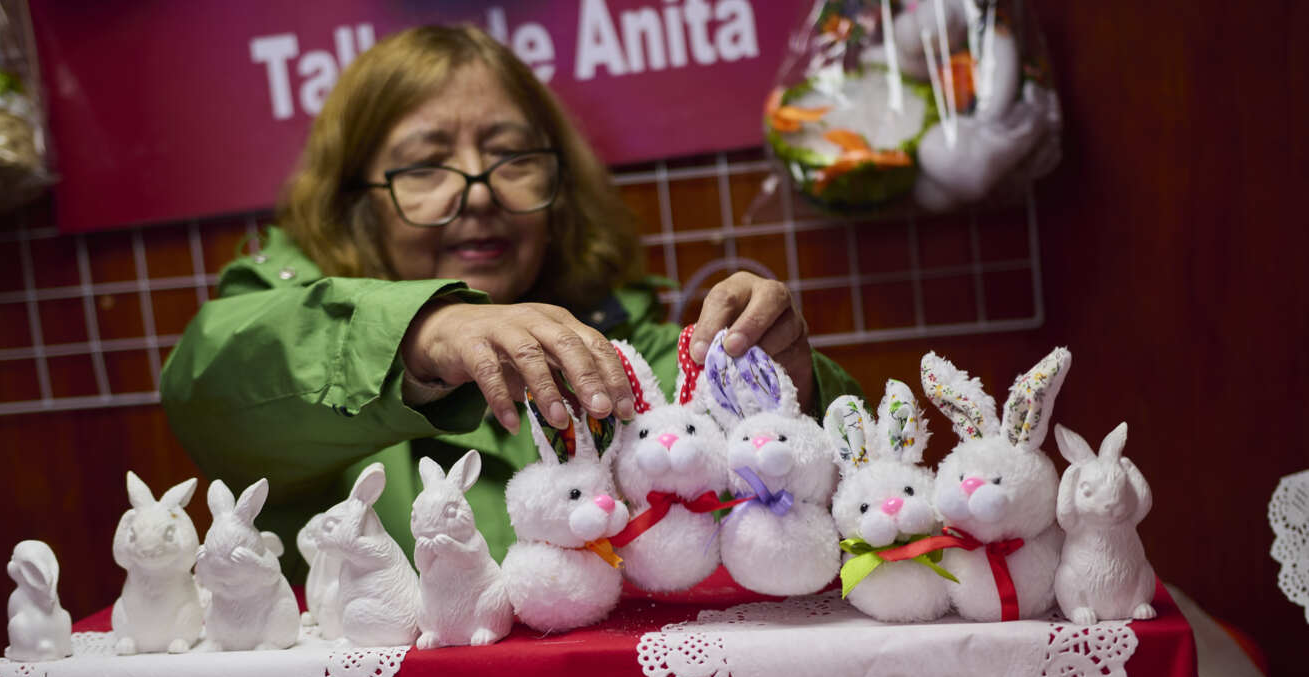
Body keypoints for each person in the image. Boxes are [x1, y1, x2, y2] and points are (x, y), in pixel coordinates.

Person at [160, 24, 863, 579]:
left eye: (512, 156)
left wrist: (783, 389)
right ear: (357, 205)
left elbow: (847, 493)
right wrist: (426, 331)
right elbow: (214, 390)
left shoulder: (626, 347)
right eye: (426, 164)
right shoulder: (283, 309)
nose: (479, 190)